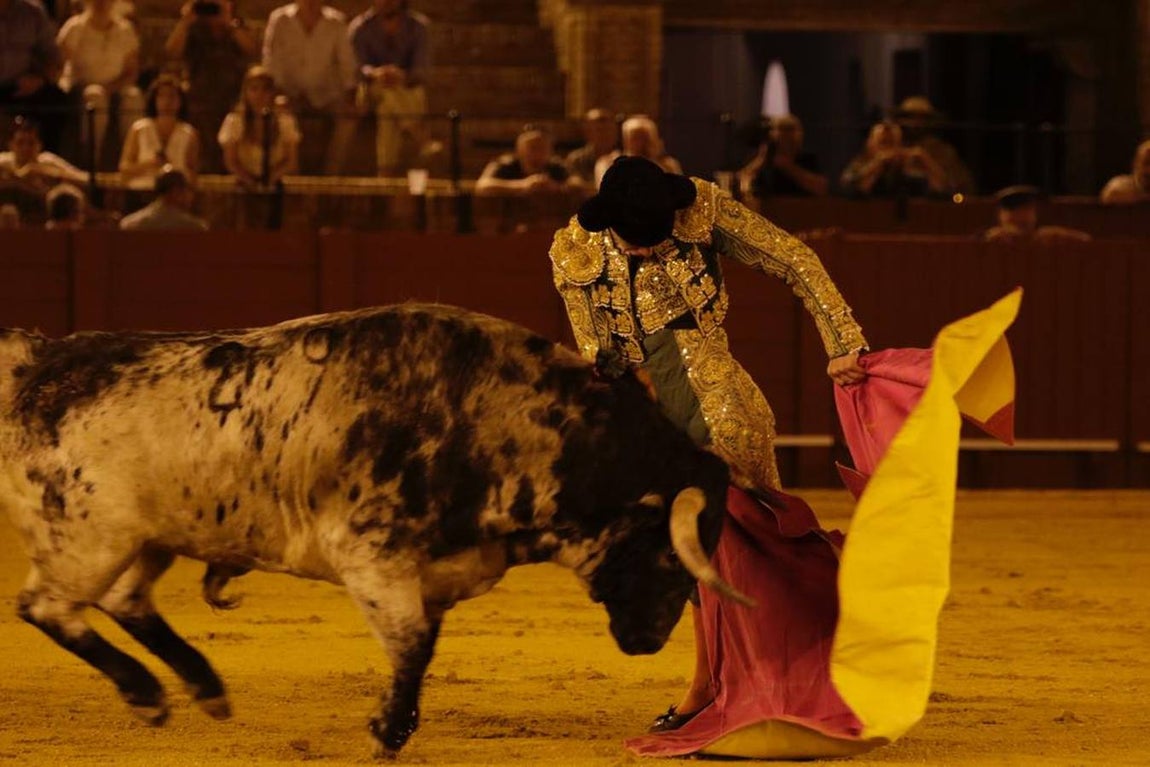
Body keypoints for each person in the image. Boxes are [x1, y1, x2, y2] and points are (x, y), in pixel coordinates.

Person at [550, 156, 867, 728]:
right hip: (647, 417)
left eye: (655, 233)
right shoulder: (576, 250)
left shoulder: (700, 209)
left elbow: (794, 258)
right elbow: (597, 355)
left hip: (719, 407)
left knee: (734, 548)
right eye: (637, 237)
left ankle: (720, 685)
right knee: (685, 554)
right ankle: (728, 682)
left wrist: (843, 342)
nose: (649, 246)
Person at [261, 0, 357, 175]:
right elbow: (271, 62)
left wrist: (350, 96)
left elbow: (346, 64)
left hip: (326, 96)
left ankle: (331, 174)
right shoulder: (280, 20)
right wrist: (281, 94)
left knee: (348, 118)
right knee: (279, 110)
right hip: (288, 94)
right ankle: (290, 171)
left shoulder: (336, 22)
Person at [164, 0, 258, 173]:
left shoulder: (238, 24)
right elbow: (172, 51)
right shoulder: (193, 27)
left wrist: (229, 22)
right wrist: (185, 21)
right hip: (198, 97)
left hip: (232, 95)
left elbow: (251, 49)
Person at [56, 0, 143, 167]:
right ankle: (92, 160)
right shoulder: (75, 28)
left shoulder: (125, 30)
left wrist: (112, 87)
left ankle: (131, 159)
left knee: (134, 97)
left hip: (115, 86)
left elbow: (132, 71)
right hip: (82, 88)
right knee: (95, 96)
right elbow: (59, 63)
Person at [349, 0, 429, 176]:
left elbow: (421, 69)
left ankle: (384, 173)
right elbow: (356, 67)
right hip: (370, 91)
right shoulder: (361, 27)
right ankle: (419, 135)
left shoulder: (417, 27)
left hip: (405, 89)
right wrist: (376, 73)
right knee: (384, 89)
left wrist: (400, 75)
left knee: (387, 106)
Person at [0, 0, 69, 152]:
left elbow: (52, 56)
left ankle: (45, 159)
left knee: (56, 99)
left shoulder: (33, 12)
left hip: (22, 85)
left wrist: (39, 79)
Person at [217, 65, 300, 189]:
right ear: (245, 92)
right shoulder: (234, 121)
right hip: (242, 186)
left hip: (275, 186)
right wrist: (252, 183)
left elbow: (290, 161)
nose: (259, 94)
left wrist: (269, 181)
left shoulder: (285, 121)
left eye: (265, 89)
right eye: (254, 89)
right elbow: (231, 161)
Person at [118, 74, 199, 190]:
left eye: (172, 96)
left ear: (180, 101)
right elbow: (124, 168)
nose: (167, 101)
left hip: (174, 193)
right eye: (161, 96)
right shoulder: (139, 129)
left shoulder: (189, 133)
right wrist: (149, 165)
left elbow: (193, 174)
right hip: (142, 191)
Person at [839, 119, 948, 198]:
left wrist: (926, 161)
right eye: (883, 143)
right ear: (869, 145)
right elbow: (852, 193)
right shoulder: (858, 166)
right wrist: (877, 165)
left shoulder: (909, 174)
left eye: (891, 144)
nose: (888, 151)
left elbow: (942, 192)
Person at [891, 96, 975, 194]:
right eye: (909, 117)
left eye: (921, 118)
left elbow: (959, 188)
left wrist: (925, 160)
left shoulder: (943, 151)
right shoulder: (893, 146)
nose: (915, 122)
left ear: (930, 121)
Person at [737, 114, 828, 198]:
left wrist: (788, 167)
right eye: (783, 130)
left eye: (791, 130)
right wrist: (760, 161)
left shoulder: (808, 160)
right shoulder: (764, 160)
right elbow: (741, 181)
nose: (788, 136)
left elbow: (821, 188)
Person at [475, 125, 579, 197]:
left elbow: (578, 185)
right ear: (519, 151)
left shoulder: (557, 166)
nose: (538, 153)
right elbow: (483, 186)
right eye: (532, 148)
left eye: (543, 148)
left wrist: (556, 188)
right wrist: (523, 185)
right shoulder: (505, 164)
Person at [0, 116, 87, 195]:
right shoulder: (3, 162)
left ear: (39, 145)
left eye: (31, 143)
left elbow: (85, 179)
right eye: (20, 143)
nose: (25, 148)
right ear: (10, 145)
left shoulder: (47, 161)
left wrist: (49, 173)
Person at [593, 114, 681, 188]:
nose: (642, 143)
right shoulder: (607, 164)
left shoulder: (669, 165)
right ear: (626, 139)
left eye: (646, 137)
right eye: (636, 137)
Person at [982, 184, 1090, 242]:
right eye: (1012, 207)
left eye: (1025, 207)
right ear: (1000, 214)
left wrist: (1060, 235)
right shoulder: (990, 239)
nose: (1020, 214)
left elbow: (1086, 240)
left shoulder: (1048, 237)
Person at [119, 166, 207, 230]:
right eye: (187, 190)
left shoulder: (131, 224)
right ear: (175, 191)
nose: (190, 196)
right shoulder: (192, 226)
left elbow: (125, 224)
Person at [564, 107, 616, 187]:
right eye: (599, 130)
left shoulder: (624, 158)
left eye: (609, 129)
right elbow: (575, 186)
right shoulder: (577, 160)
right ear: (588, 133)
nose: (605, 135)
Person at [1099, 139, 1150, 205]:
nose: (1149, 170)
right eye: (1146, 163)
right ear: (1135, 164)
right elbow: (1111, 194)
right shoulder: (1120, 187)